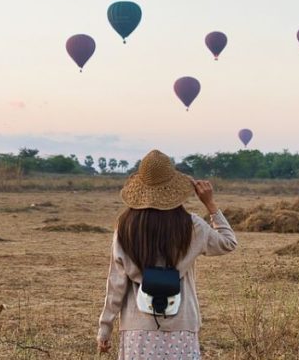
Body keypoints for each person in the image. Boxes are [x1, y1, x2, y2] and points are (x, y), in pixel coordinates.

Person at [97, 150, 237, 358]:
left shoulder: (125, 227)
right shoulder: (192, 225)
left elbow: (116, 284)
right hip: (181, 326)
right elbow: (228, 242)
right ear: (174, 189)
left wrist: (105, 328)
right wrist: (210, 204)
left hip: (138, 328)